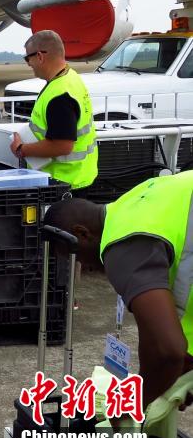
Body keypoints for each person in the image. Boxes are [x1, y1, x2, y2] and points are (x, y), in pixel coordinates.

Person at [44, 171, 193, 406]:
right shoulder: (135, 200)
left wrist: (132, 407)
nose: (88, 267)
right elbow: (156, 342)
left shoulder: (122, 246)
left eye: (78, 257)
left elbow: (168, 351)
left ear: (82, 233)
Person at [10, 30, 98, 193]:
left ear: (40, 56)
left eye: (28, 58)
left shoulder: (59, 95)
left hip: (63, 184)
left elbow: (62, 146)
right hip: (78, 178)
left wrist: (21, 149)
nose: (28, 63)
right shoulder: (71, 78)